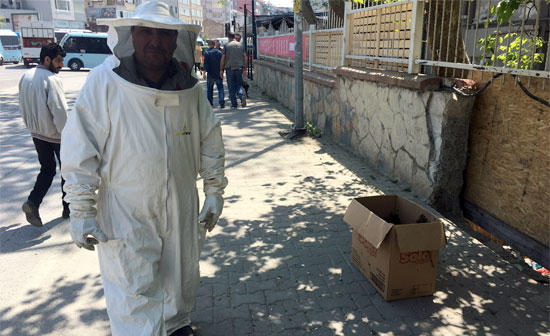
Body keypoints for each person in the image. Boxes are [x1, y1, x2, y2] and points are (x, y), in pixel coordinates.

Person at [60, 1, 228, 336]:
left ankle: (177, 325)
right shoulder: (104, 83)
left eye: (163, 33)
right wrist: (80, 209)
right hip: (126, 210)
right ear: (131, 35)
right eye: (146, 31)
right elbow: (80, 149)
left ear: (174, 39)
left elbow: (210, 139)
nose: (155, 40)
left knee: (180, 277)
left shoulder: (189, 89)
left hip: (181, 204)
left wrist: (213, 190)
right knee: (133, 288)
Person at [19, 43, 69, 226]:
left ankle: (32, 203)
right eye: (58, 61)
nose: (61, 65)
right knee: (68, 171)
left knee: (47, 170)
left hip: (37, 134)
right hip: (56, 136)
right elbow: (60, 111)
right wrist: (68, 135)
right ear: (47, 59)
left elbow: (22, 104)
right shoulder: (51, 79)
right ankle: (68, 209)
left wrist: (31, 126)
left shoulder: (26, 76)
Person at [220, 32, 247, 109]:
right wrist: (245, 68)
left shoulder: (226, 46)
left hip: (230, 69)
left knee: (231, 87)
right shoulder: (241, 45)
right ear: (234, 37)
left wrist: (221, 69)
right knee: (239, 85)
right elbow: (245, 57)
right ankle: (241, 96)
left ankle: (234, 104)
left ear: (228, 37)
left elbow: (223, 58)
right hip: (239, 68)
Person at [202, 40, 224, 108]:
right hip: (218, 72)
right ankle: (221, 102)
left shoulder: (207, 52)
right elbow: (222, 62)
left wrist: (204, 73)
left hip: (210, 73)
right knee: (220, 88)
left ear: (208, 45)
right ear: (214, 45)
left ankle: (210, 103)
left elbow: (206, 64)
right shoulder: (219, 52)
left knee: (210, 89)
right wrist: (222, 70)